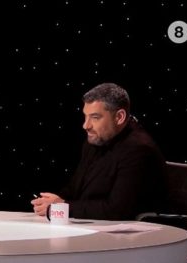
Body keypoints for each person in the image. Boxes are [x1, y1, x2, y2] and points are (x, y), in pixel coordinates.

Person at [31, 82, 166, 220]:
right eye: (85, 116)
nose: (85, 125)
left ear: (119, 117)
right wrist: (51, 201)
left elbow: (117, 210)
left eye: (95, 117)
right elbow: (76, 187)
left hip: (129, 231)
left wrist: (63, 206)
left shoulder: (139, 150)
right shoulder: (96, 139)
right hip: (94, 225)